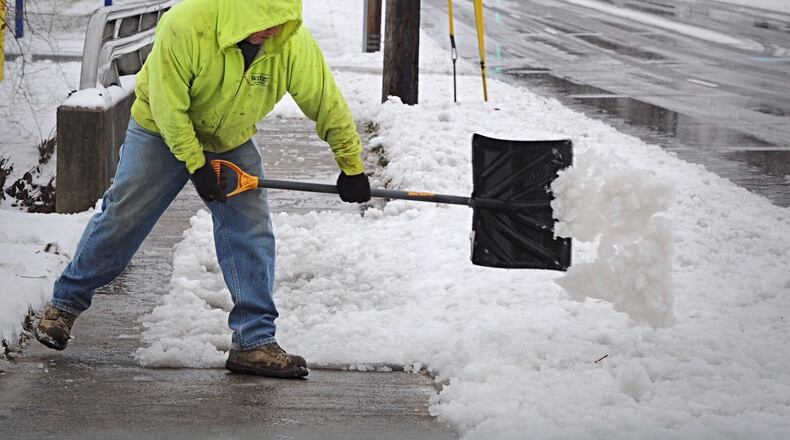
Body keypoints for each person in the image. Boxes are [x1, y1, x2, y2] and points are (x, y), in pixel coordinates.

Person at [34, 0, 370, 379]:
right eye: (264, 20)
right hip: (160, 130)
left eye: (281, 22)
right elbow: (167, 104)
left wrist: (351, 166)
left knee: (252, 230)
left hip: (229, 139)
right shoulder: (186, 24)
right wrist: (196, 164)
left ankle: (254, 341)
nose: (272, 30)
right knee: (124, 218)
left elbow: (327, 102)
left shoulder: (289, 43)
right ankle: (64, 306)